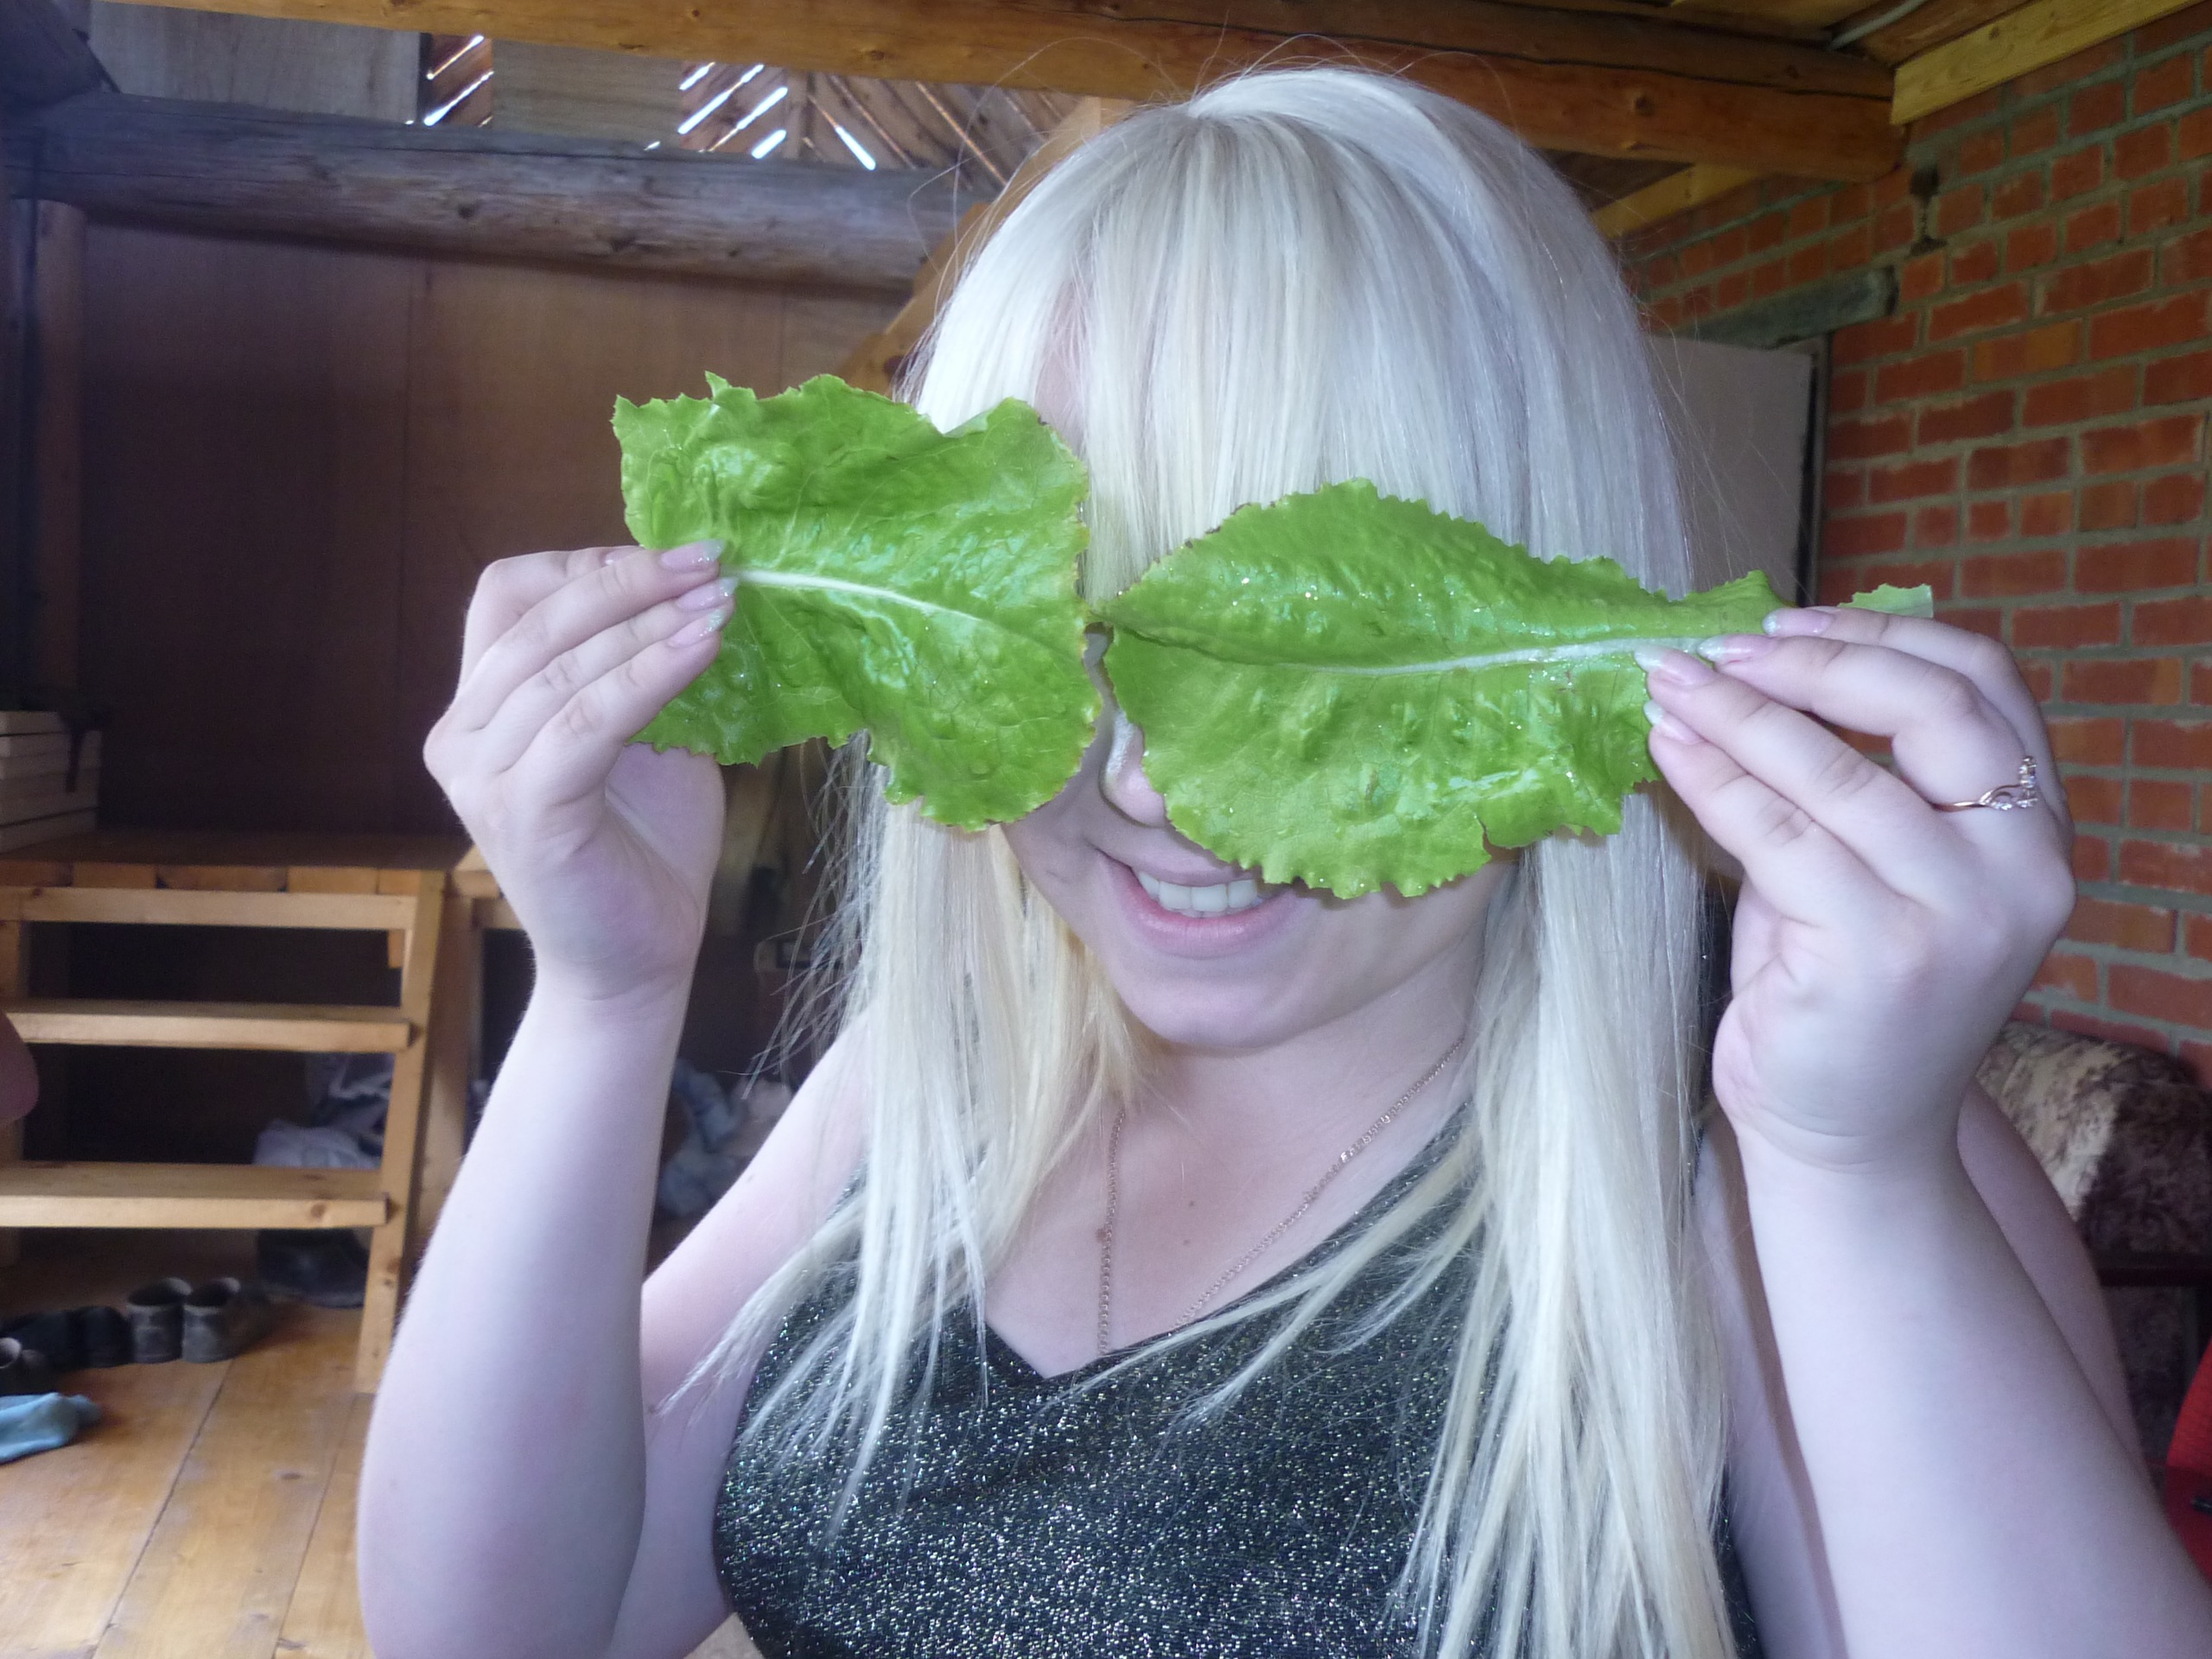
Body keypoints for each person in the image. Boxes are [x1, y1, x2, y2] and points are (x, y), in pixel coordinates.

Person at [359, 67, 2212, 1659]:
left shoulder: (1764, 1163)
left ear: (1541, 658)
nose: (1150, 790)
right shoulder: (936, 1092)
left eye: (1310, 666)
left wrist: (1854, 1173)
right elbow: (497, 1628)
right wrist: (603, 996)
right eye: (1063, 637)